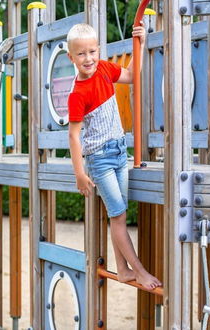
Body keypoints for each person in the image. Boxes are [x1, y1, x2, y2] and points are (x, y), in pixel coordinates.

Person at [67, 23, 161, 290]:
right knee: (119, 216)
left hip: (120, 152)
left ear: (99, 51)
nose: (88, 59)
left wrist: (139, 45)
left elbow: (132, 75)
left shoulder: (106, 69)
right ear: (71, 58)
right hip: (100, 160)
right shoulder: (78, 94)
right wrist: (79, 174)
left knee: (118, 214)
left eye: (92, 51)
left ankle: (122, 269)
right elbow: (73, 136)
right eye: (81, 54)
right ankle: (139, 270)